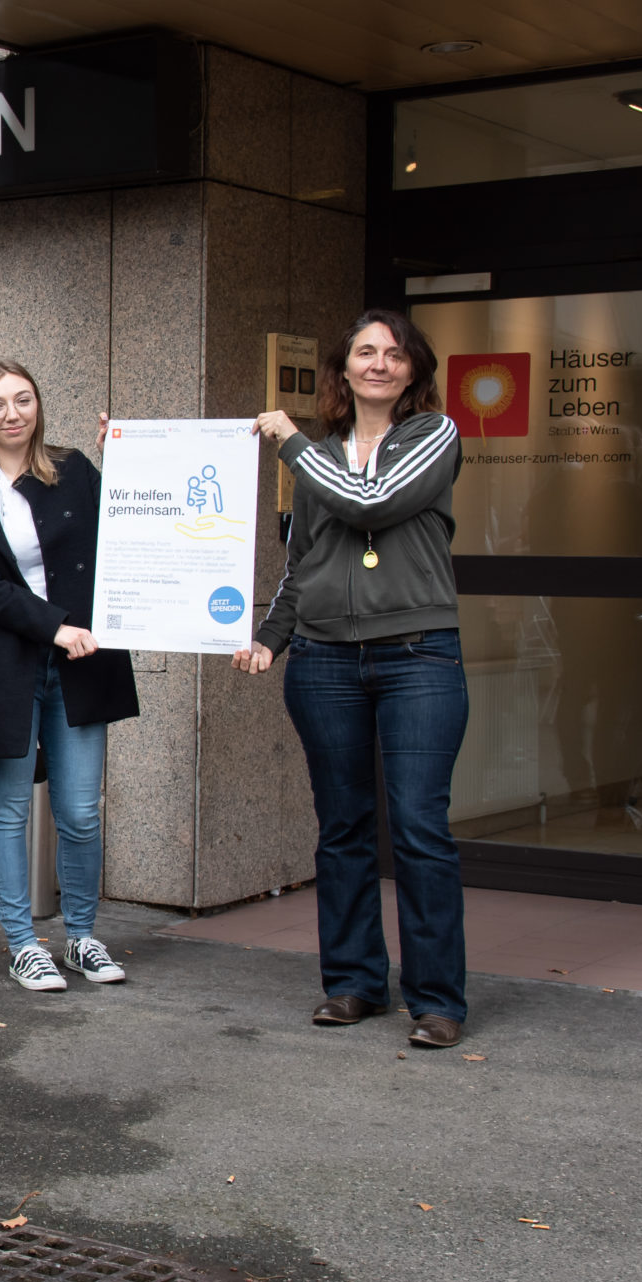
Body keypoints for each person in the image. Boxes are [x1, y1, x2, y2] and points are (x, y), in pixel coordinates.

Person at [236, 308, 469, 1049]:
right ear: (343, 369)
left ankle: (435, 999)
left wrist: (292, 443)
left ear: (414, 371)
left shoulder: (433, 436)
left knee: (420, 829)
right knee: (342, 829)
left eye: (394, 354)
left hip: (419, 656)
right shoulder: (322, 455)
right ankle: (353, 983)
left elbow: (370, 501)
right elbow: (300, 562)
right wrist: (271, 639)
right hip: (326, 660)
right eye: (364, 352)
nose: (379, 363)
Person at [0, 361, 138, 992]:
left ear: (38, 406)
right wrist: (53, 625)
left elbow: (136, 525)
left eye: (22, 400)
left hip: (81, 664)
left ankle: (81, 936)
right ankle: (23, 945)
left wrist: (128, 460)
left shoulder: (75, 469)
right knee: (8, 808)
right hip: (5, 668)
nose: (11, 414)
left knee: (79, 810)